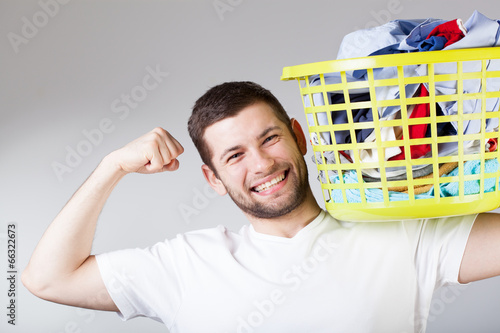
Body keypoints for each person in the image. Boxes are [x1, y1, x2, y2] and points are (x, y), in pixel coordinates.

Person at [22, 81, 500, 332]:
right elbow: (47, 278)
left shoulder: (402, 235)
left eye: (269, 138)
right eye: (234, 155)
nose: (263, 163)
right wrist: (111, 167)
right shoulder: (185, 264)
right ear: (213, 179)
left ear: (299, 136)